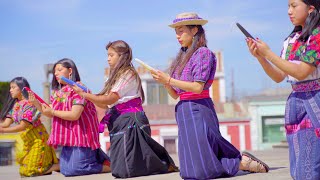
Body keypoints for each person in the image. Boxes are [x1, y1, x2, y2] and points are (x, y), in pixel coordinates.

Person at [151, 12, 269, 179]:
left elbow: (197, 87)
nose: (177, 36)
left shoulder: (203, 53)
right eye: (176, 32)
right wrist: (165, 83)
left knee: (203, 167)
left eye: (181, 31)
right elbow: (176, 94)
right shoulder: (181, 57)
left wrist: (169, 79)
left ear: (194, 30)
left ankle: (241, 163)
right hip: (183, 110)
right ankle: (239, 162)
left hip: (199, 108)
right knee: (189, 171)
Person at [72, 40, 178, 178]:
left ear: (121, 56)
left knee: (126, 170)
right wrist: (87, 94)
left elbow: (110, 99)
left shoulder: (128, 73)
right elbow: (104, 103)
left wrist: (85, 95)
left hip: (131, 120)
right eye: (107, 55)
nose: (108, 58)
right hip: (118, 120)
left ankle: (164, 164)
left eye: (111, 55)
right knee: (118, 170)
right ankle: (162, 163)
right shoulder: (113, 76)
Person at [246, 0, 320, 179]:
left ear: (311, 9)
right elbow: (279, 75)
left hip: (314, 100)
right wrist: (260, 58)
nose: (289, 11)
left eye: (294, 6)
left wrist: (268, 53)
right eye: (288, 6)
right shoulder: (291, 40)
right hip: (295, 100)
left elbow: (302, 72)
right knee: (298, 164)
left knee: (309, 166)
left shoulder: (317, 35)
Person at [29, 58, 111, 177]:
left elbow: (74, 115)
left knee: (74, 169)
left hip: (82, 138)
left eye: (59, 70)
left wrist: (52, 111)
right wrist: (36, 103)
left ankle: (107, 166)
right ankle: (99, 158)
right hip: (69, 138)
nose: (56, 73)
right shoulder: (59, 92)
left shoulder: (79, 88)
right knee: (66, 170)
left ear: (70, 71)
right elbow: (50, 112)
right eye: (54, 71)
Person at [0, 77, 59, 177]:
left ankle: (58, 166)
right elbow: (6, 123)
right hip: (28, 141)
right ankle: (53, 166)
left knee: (30, 170)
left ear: (22, 88)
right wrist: (3, 127)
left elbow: (23, 126)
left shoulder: (29, 104)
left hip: (38, 140)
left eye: (13, 87)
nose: (10, 90)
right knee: (23, 170)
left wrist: (4, 130)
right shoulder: (15, 105)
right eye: (10, 87)